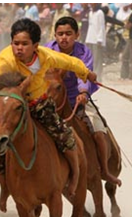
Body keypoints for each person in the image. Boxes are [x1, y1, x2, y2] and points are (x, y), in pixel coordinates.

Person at [0, 18, 98, 209]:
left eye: (24, 44)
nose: (19, 48)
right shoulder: (6, 59)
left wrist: (87, 74)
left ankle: (75, 179)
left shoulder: (46, 56)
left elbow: (70, 62)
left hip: (40, 105)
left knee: (66, 137)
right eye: (15, 43)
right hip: (14, 107)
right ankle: (6, 189)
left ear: (35, 46)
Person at [45, 16, 122, 186]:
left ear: (77, 35)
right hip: (49, 101)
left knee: (98, 129)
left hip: (76, 100)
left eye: (68, 33)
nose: (64, 37)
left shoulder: (83, 52)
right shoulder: (47, 51)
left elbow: (84, 75)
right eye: (60, 34)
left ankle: (105, 170)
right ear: (55, 35)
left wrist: (84, 93)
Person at [85, 4, 106, 82]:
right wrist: (87, 39)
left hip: (97, 40)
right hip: (90, 38)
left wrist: (100, 39)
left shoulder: (100, 13)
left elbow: (101, 27)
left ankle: (98, 77)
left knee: (97, 60)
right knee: (91, 59)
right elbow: (90, 27)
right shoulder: (90, 13)